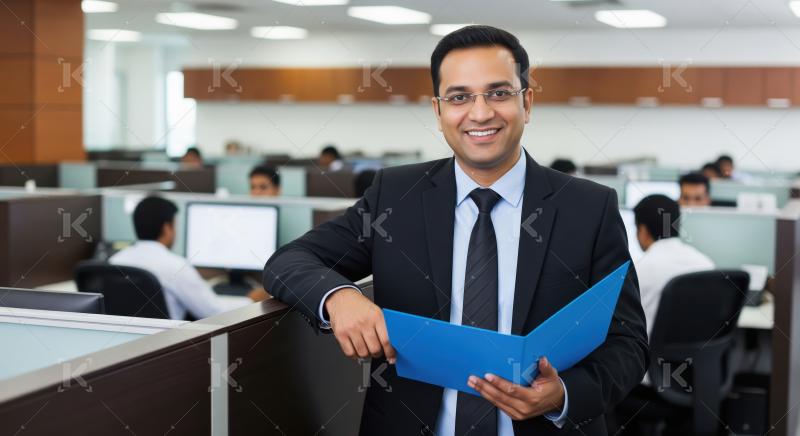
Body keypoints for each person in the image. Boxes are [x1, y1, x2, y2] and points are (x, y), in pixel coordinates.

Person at [264, 25, 648, 436]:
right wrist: (340, 297)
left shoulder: (588, 207)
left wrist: (564, 394)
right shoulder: (396, 196)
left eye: (499, 93)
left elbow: (628, 342)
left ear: (528, 102)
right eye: (459, 97)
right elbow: (287, 261)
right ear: (438, 111)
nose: (480, 113)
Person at [110, 196, 267, 320]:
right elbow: (212, 312)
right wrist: (250, 299)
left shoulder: (115, 262)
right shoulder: (175, 266)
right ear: (167, 228)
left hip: (124, 351)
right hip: (164, 349)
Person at [632, 195, 714, 335]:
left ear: (643, 230)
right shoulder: (707, 264)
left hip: (651, 354)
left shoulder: (638, 272)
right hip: (704, 354)